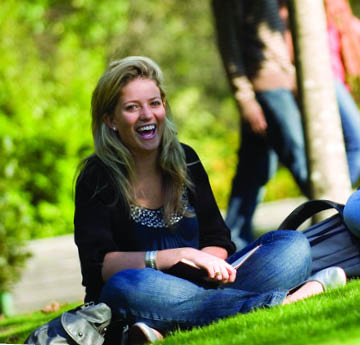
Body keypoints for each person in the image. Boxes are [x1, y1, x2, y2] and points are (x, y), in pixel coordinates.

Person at [74, 56, 346, 345]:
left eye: (154, 103)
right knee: (125, 284)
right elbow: (99, 266)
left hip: (206, 287)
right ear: (110, 119)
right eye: (132, 107)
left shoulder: (185, 159)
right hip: (144, 291)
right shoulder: (97, 176)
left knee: (291, 245)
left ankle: (167, 326)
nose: (147, 115)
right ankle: (279, 302)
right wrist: (179, 256)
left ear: (164, 106)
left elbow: (219, 239)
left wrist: (212, 264)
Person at [211, 0, 309, 249]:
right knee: (301, 161)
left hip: (281, 82)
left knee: (253, 171)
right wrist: (245, 97)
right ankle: (338, 219)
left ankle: (231, 242)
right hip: (266, 89)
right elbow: (229, 43)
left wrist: (293, 74)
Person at [279, 0, 360, 187]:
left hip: (337, 79)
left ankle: (334, 197)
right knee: (357, 142)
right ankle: (337, 195)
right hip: (323, 78)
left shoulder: (337, 9)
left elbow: (350, 28)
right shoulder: (295, 9)